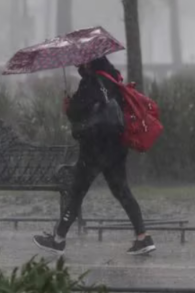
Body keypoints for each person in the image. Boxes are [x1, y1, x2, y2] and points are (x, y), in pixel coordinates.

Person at [33, 56, 156, 255]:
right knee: (122, 191)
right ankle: (143, 237)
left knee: (77, 192)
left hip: (94, 148)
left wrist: (68, 107)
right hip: (116, 146)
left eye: (82, 62)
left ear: (90, 62)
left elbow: (76, 112)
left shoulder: (90, 83)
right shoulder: (114, 78)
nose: (79, 65)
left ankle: (58, 239)